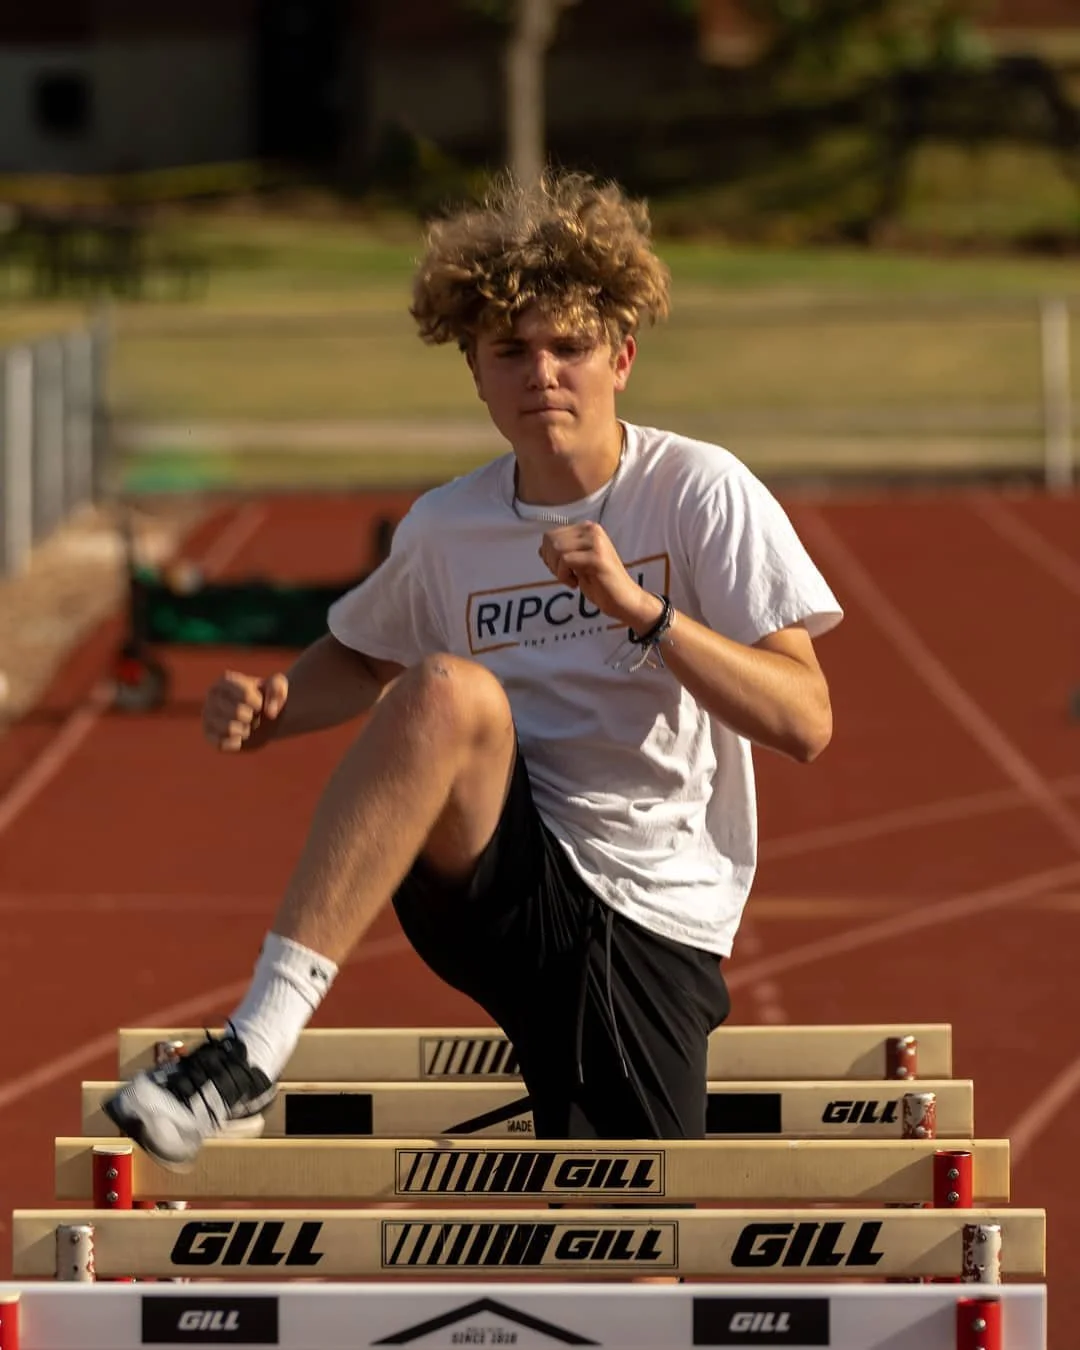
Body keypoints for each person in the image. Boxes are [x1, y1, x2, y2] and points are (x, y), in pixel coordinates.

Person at [104, 169, 843, 1169]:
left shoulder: (698, 492)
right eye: (512, 351)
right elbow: (363, 655)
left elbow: (806, 720)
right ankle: (254, 1048)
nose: (543, 372)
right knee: (448, 689)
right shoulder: (447, 526)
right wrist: (279, 703)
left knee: (631, 1252)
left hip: (644, 906)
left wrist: (643, 611)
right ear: (477, 374)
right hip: (491, 871)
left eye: (570, 347)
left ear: (621, 358)